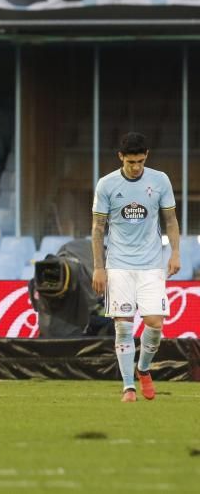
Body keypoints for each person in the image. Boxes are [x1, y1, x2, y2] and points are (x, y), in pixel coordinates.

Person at [91, 133, 180, 403]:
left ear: (147, 156)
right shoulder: (107, 184)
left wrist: (175, 253)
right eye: (131, 162)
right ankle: (128, 387)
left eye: (140, 161)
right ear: (121, 157)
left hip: (152, 263)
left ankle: (143, 369)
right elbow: (98, 228)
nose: (136, 167)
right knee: (124, 326)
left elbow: (171, 220)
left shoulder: (160, 179)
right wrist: (98, 267)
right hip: (119, 264)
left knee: (155, 324)